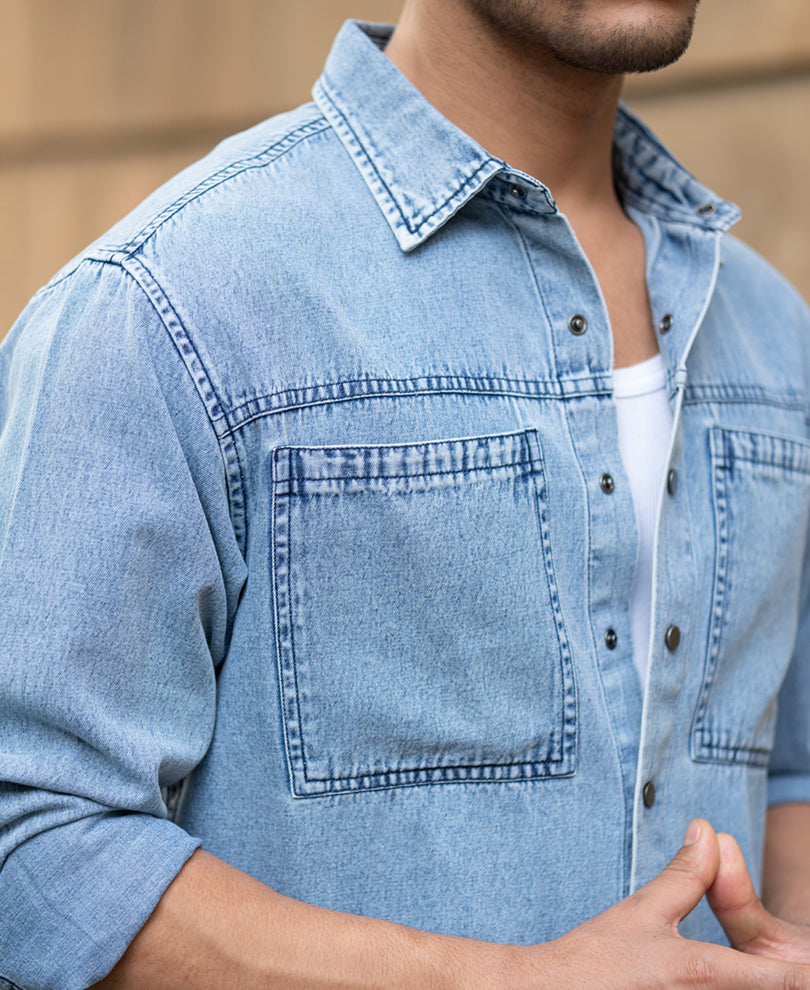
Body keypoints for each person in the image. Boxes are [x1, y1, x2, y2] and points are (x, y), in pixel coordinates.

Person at [2, 1, 810, 986]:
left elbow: (788, 773)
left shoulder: (777, 340)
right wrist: (516, 980)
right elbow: (30, 842)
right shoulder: (170, 303)